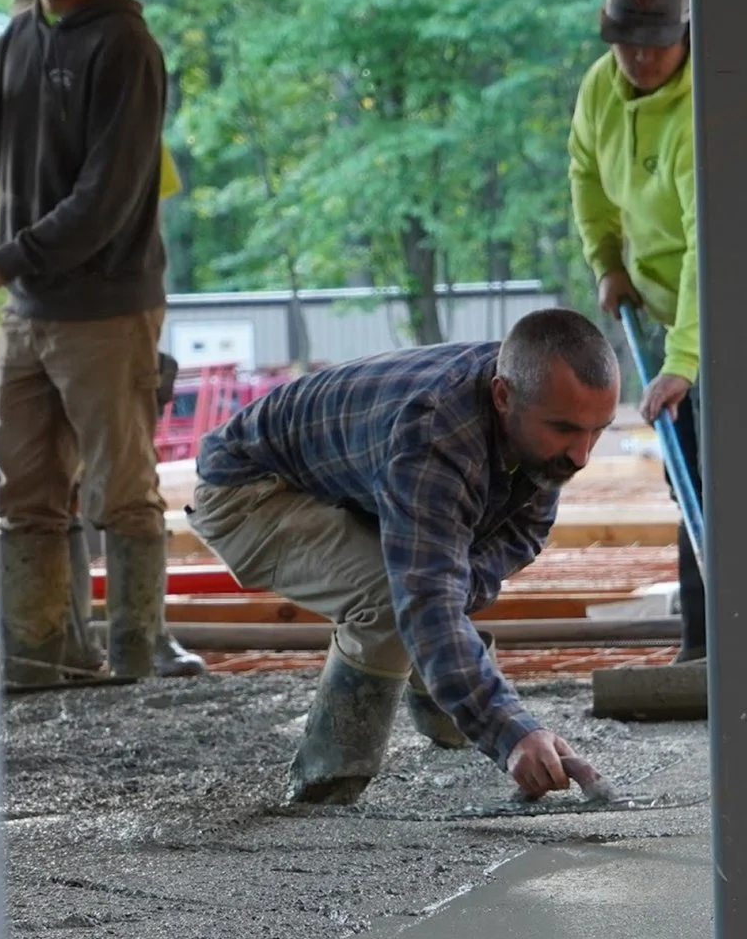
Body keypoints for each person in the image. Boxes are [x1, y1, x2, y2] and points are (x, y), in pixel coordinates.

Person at [188, 310, 618, 805]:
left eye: (597, 431)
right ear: (503, 396)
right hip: (250, 490)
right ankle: (325, 791)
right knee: (393, 602)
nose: (582, 455)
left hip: (344, 487)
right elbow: (426, 598)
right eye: (564, 430)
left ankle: (453, 721)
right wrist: (511, 730)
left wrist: (451, 599)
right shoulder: (436, 434)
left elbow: (522, 532)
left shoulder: (533, 398)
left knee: (432, 594)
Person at [567, 0, 747, 661]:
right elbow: (586, 175)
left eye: (656, 43)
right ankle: (706, 647)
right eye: (627, 43)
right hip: (680, 296)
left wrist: (682, 363)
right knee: (692, 474)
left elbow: (714, 246)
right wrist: (607, 262)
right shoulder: (600, 90)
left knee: (739, 470)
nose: (641, 57)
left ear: (686, 34)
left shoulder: (709, 109)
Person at [0, 0, 202, 686]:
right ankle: (40, 653)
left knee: (120, 490)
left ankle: (137, 653)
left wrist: (4, 259)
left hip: (106, 307)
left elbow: (106, 197)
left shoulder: (124, 46)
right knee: (25, 488)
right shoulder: (15, 42)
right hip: (27, 307)